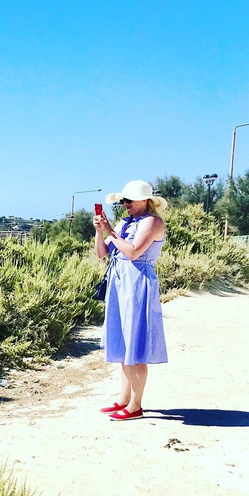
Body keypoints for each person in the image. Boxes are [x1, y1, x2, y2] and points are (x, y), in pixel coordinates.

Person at [93, 180, 168, 421]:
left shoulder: (152, 222)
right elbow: (102, 253)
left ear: (145, 200)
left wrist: (110, 232)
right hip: (119, 283)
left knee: (135, 344)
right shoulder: (125, 222)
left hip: (138, 283)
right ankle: (124, 399)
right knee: (124, 342)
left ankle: (135, 405)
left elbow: (134, 252)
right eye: (123, 201)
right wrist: (99, 231)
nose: (125, 205)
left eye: (130, 200)